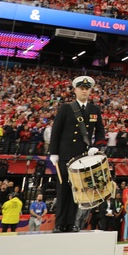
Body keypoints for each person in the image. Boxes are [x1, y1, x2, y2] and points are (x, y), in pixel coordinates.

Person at [49, 75, 106, 233]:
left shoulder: (94, 110)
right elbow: (56, 131)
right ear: (75, 90)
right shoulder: (67, 108)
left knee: (77, 192)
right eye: (82, 88)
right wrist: (54, 152)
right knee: (63, 191)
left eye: (87, 89)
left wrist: (95, 147)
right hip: (65, 155)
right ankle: (59, 223)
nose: (84, 91)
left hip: (82, 157)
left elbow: (101, 132)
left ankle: (71, 223)